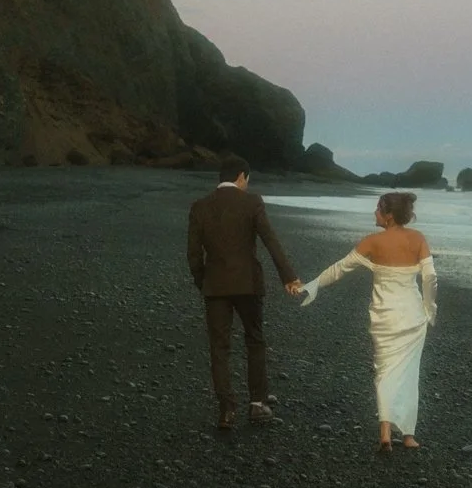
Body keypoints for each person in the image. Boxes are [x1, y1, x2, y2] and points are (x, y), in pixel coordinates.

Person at [300, 190, 437, 453]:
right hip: (411, 315)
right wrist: (430, 310)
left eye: (377, 209)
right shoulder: (418, 239)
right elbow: (430, 278)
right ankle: (408, 435)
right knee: (409, 372)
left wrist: (313, 284)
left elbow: (340, 268)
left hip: (384, 316)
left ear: (388, 216)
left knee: (384, 370)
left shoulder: (373, 242)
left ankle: (386, 433)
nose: (374, 213)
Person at [186, 159, 304, 430]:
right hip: (248, 284)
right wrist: (288, 276)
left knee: (219, 347)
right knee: (254, 340)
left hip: (215, 286)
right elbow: (270, 240)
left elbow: (193, 253)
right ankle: (257, 404)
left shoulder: (200, 206)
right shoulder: (251, 203)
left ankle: (226, 410)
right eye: (247, 179)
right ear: (241, 176)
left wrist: (202, 281)